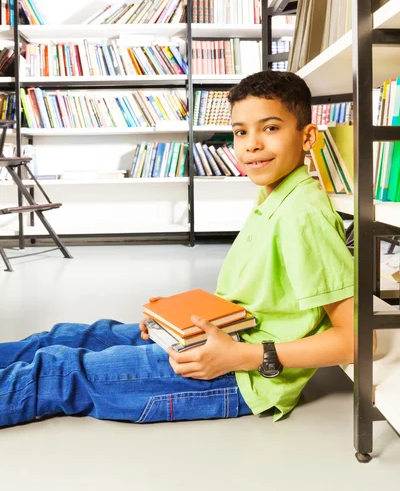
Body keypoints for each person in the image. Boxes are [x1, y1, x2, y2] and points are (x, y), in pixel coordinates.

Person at [0, 70, 359, 427]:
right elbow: (262, 299)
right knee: (70, 337)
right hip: (224, 337)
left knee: (58, 371)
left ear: (307, 136)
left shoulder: (303, 215)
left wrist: (243, 356)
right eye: (240, 132)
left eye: (270, 128)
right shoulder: (275, 194)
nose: (251, 144)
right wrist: (176, 319)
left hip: (242, 376)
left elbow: (355, 339)